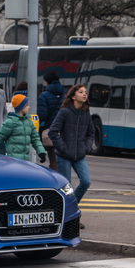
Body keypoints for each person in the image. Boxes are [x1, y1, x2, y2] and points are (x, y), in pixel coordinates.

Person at [48, 84, 94, 228]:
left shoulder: (86, 114)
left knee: (86, 182)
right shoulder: (65, 112)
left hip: (79, 155)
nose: (84, 95)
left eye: (85, 92)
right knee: (66, 188)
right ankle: (68, 219)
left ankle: (71, 212)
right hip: (64, 155)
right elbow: (53, 132)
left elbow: (91, 133)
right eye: (81, 92)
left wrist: (86, 147)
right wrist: (63, 148)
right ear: (73, 96)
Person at [0, 94, 46, 163]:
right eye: (27, 105)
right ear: (21, 107)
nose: (29, 107)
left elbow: (35, 139)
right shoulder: (10, 122)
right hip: (13, 161)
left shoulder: (29, 122)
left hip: (25, 161)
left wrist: (41, 152)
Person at [37, 71, 66, 171]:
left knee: (53, 160)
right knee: (63, 160)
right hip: (64, 132)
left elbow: (42, 114)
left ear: (47, 82)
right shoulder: (65, 96)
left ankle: (57, 180)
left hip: (50, 130)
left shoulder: (44, 96)